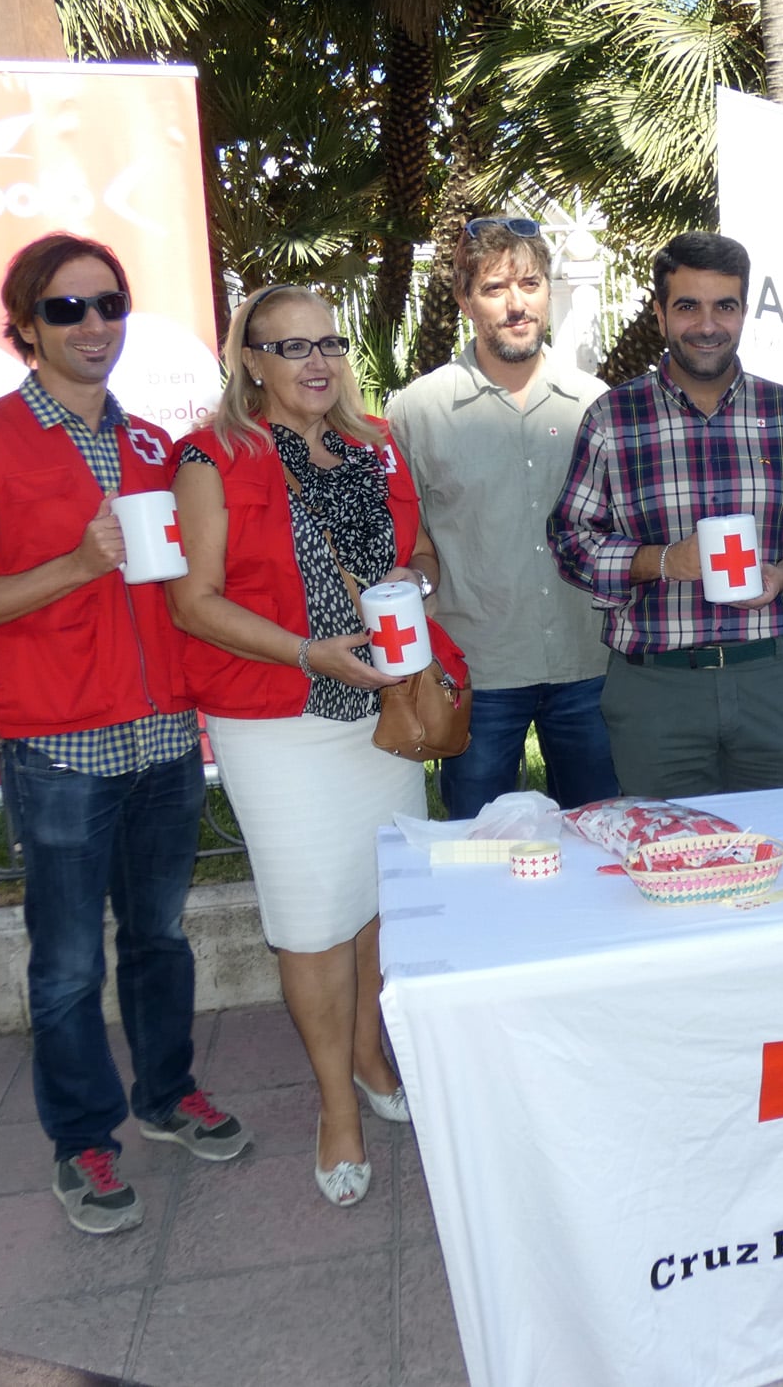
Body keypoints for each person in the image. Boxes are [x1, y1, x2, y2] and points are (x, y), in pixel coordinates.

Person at [0, 233, 249, 1238]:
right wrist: (75, 563)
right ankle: (82, 1141)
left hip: (163, 740)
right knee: (66, 967)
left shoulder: (154, 444)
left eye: (109, 303)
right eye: (66, 309)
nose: (94, 324)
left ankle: (167, 1094)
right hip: (61, 749)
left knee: (159, 939)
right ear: (25, 325)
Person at [170, 284, 459, 1205]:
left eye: (328, 343)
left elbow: (422, 552)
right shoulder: (211, 458)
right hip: (278, 719)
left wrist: (412, 579)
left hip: (383, 709)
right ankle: (336, 1106)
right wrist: (307, 650)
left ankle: (370, 1059)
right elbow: (194, 603)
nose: (316, 361)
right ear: (250, 361)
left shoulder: (375, 443)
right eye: (290, 347)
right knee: (308, 920)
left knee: (374, 903)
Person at [547, 232, 783, 797]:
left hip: (777, 681)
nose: (708, 325)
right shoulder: (613, 418)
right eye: (688, 306)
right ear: (660, 313)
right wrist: (664, 561)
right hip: (657, 691)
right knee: (671, 845)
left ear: (743, 312)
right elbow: (570, 540)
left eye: (724, 307)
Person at [385, 215, 617, 819]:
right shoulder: (416, 412)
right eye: (494, 288)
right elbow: (408, 536)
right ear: (465, 300)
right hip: (477, 671)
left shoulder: (597, 404)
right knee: (477, 846)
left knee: (601, 838)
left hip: (589, 662)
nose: (517, 305)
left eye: (530, 284)